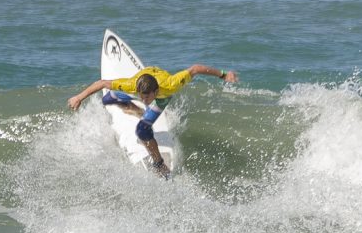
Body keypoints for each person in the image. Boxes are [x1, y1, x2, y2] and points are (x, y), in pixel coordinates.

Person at [67, 64, 239, 178]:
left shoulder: (171, 84)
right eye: (143, 97)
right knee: (107, 100)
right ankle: (136, 109)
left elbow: (195, 69)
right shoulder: (132, 85)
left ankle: (159, 164)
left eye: (147, 97)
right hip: (142, 82)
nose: (145, 99)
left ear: (155, 91)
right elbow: (102, 83)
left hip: (163, 97)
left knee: (142, 131)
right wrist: (79, 97)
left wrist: (223, 75)